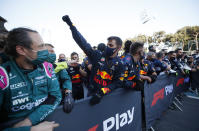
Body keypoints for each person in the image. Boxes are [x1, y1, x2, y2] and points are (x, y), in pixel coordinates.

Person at [0, 28, 61, 129]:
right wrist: (29, 130)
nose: (45, 51)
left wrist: (29, 121)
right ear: (21, 50)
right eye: (41, 46)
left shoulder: (47, 67)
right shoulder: (3, 74)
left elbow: (55, 96)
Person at [62, 15, 125, 105]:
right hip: (91, 93)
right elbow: (82, 42)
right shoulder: (97, 55)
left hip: (108, 96)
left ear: (118, 48)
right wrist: (71, 25)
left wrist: (102, 92)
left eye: (111, 45)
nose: (108, 47)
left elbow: (118, 83)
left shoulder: (120, 64)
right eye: (107, 45)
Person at [45, 43, 74, 113]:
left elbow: (66, 79)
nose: (53, 54)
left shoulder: (59, 66)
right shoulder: (35, 66)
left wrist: (68, 93)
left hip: (55, 99)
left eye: (53, 52)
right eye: (50, 51)